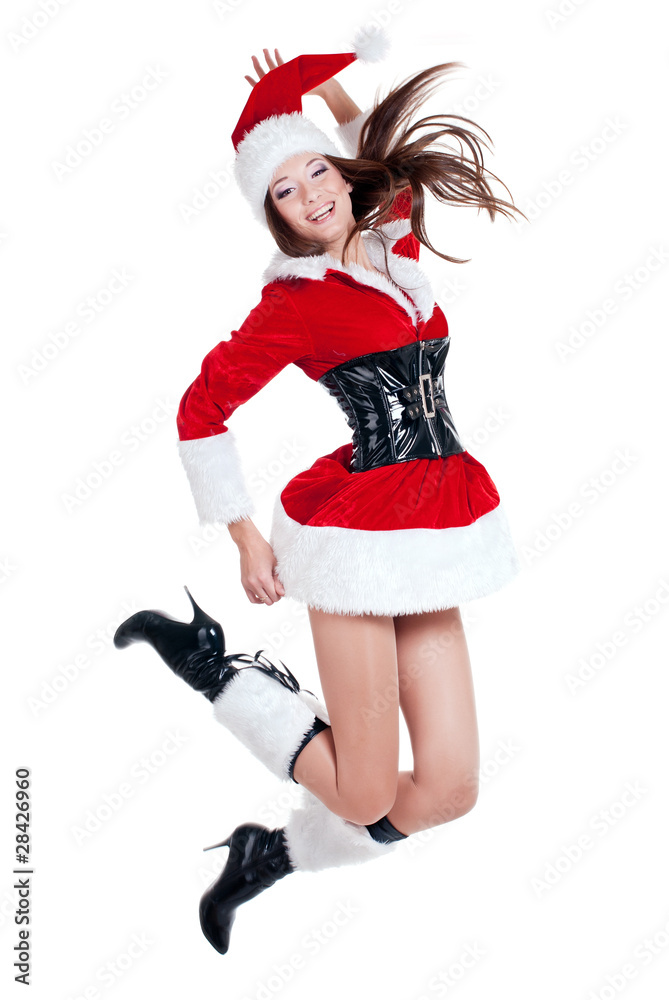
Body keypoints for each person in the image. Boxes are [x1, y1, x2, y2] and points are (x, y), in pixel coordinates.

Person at [114, 25, 525, 956]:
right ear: (273, 215)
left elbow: (383, 163)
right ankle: (218, 667)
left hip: (435, 522)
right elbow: (200, 408)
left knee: (451, 789)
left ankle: (273, 855)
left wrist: (337, 96)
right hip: (352, 534)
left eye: (315, 175)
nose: (307, 197)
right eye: (283, 192)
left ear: (340, 175)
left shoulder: (393, 249)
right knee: (368, 790)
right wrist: (243, 538)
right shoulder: (291, 305)